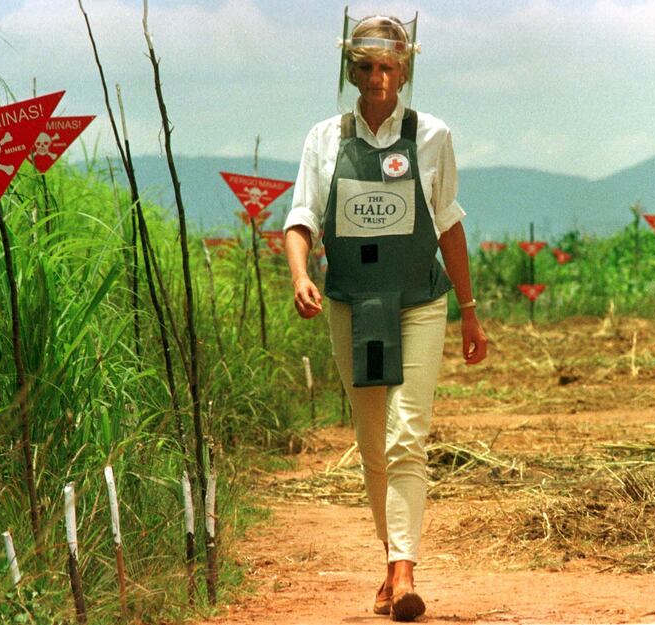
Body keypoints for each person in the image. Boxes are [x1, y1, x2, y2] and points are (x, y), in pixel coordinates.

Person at [284, 11, 487, 622]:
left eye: (389, 68)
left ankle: (404, 571)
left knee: (407, 435)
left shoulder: (432, 136)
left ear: (406, 69)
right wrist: (301, 276)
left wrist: (469, 311)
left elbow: (448, 224)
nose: (378, 79)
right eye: (367, 67)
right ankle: (390, 559)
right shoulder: (325, 138)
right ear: (352, 69)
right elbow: (300, 219)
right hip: (352, 304)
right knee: (373, 441)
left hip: (419, 303)